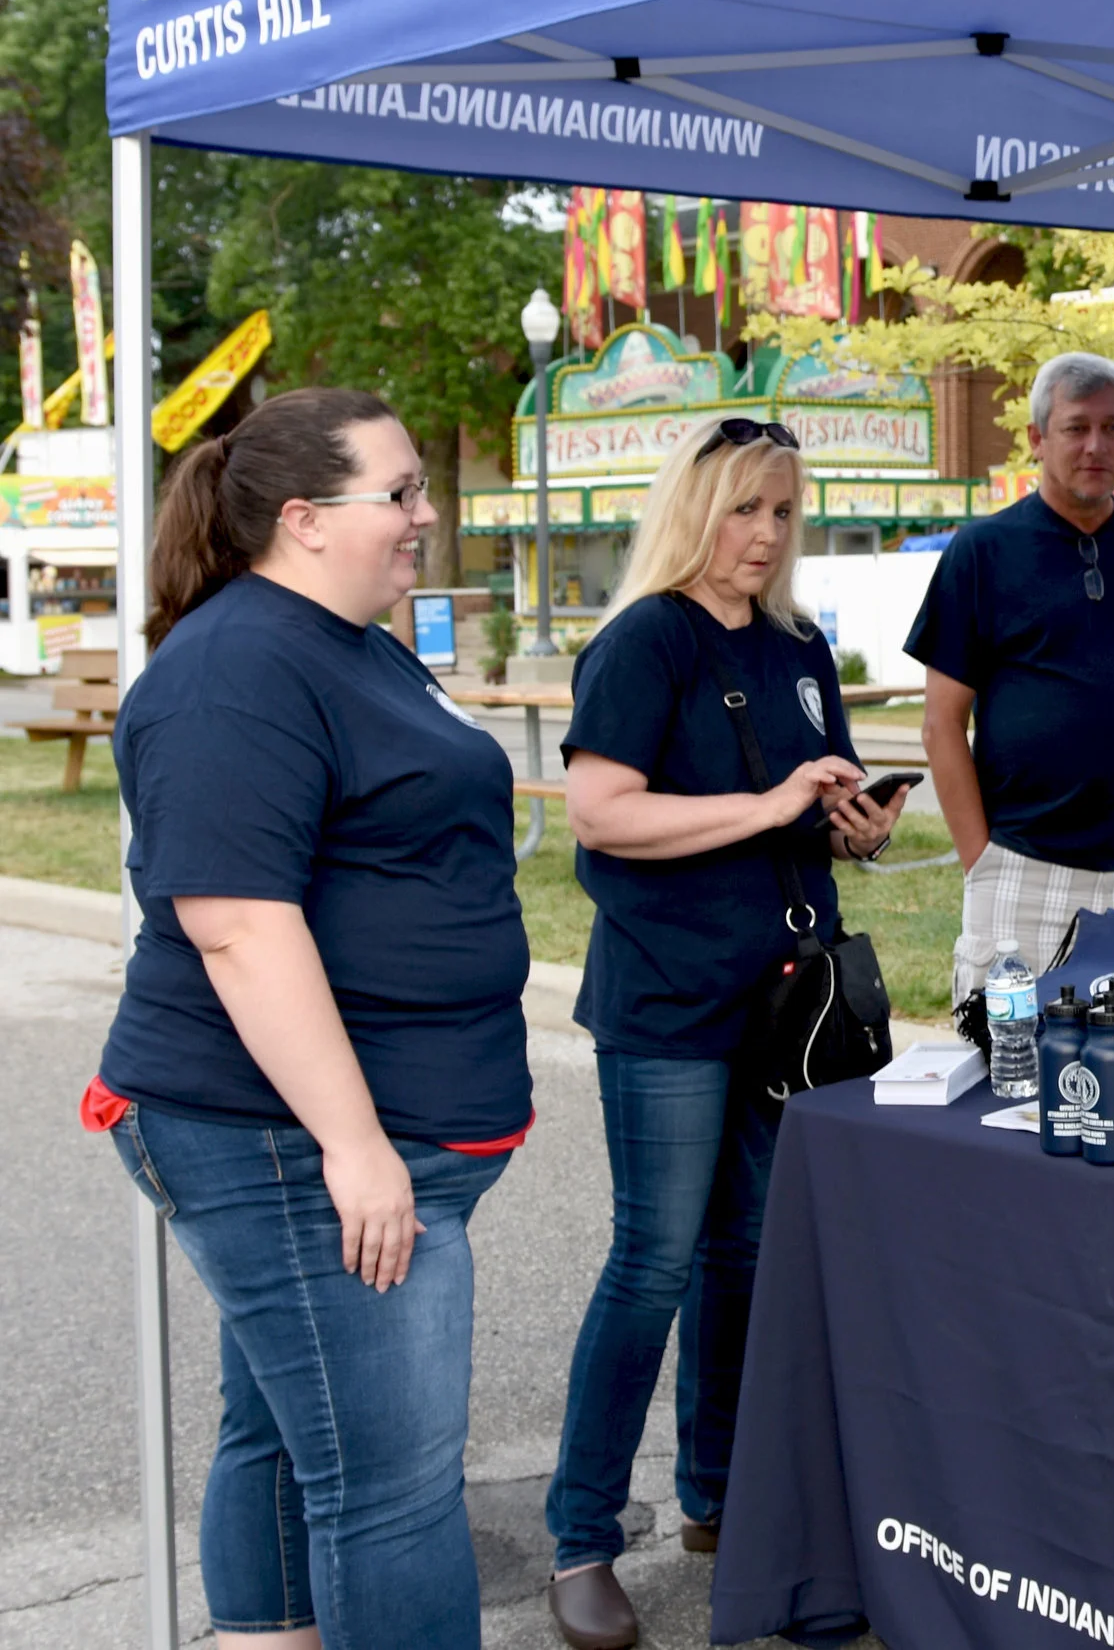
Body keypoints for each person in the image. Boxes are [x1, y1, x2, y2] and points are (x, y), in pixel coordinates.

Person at [88, 388, 530, 1650]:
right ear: (300, 518)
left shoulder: (350, 639)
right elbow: (237, 925)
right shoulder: (235, 670)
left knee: (285, 1427)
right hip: (283, 1132)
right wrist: (355, 1144)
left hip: (365, 1123)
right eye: (397, 494)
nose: (424, 514)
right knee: (388, 1490)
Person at [544, 417, 907, 1650]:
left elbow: (825, 784)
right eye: (744, 508)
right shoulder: (645, 639)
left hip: (786, 999)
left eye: (783, 514)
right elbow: (601, 814)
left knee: (744, 1253)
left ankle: (721, 1497)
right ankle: (580, 1535)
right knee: (652, 1259)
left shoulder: (802, 644)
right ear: (695, 506)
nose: (763, 535)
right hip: (669, 999)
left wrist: (853, 822)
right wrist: (766, 807)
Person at [909, 351, 1114, 1007]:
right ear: (1036, 439)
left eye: (1113, 428)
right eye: (1076, 427)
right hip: (1024, 871)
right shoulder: (983, 552)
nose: (1095, 445)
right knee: (1011, 1086)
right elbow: (941, 724)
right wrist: (982, 861)